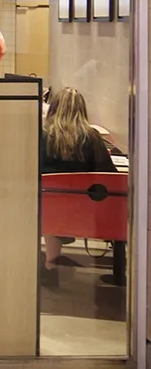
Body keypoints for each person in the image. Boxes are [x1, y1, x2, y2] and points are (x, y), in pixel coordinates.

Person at [41, 88, 117, 281]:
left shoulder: (42, 136)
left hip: (46, 211)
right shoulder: (92, 138)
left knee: (51, 200)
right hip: (85, 214)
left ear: (53, 108)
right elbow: (109, 178)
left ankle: (50, 263)